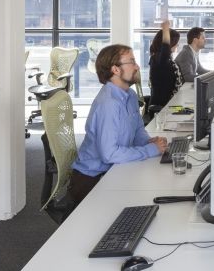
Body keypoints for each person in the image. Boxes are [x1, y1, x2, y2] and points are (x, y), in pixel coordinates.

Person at [68, 44, 168, 204]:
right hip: (92, 180)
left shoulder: (130, 96)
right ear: (115, 69)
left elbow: (137, 130)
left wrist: (149, 142)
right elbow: (109, 154)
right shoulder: (109, 104)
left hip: (115, 170)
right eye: (132, 62)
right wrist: (150, 150)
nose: (137, 66)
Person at [147, 19, 182, 112]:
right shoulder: (159, 59)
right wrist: (166, 30)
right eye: (176, 42)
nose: (177, 44)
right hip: (164, 108)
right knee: (192, 112)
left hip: (171, 104)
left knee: (193, 110)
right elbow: (165, 48)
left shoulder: (164, 59)